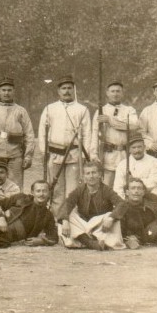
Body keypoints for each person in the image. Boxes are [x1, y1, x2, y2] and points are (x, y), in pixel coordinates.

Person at [38, 74, 93, 218]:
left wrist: (84, 156)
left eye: (70, 88)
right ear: (58, 91)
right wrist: (44, 152)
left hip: (74, 155)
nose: (67, 91)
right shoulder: (50, 108)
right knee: (56, 189)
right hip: (54, 154)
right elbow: (42, 132)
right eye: (64, 88)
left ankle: (72, 219)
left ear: (74, 90)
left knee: (73, 189)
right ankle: (57, 220)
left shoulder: (82, 109)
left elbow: (87, 134)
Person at [0, 77, 35, 191]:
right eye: (3, 90)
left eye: (9, 90)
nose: (6, 93)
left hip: (15, 156)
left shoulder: (21, 111)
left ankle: (14, 209)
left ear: (14, 91)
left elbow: (29, 134)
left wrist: (28, 156)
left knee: (15, 188)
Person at [57, 160, 124, 250]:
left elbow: (121, 203)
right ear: (84, 176)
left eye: (94, 173)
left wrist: (111, 218)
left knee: (111, 216)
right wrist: (65, 220)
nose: (91, 176)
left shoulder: (106, 190)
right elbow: (68, 203)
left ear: (100, 175)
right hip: (83, 224)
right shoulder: (80, 190)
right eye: (88, 173)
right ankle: (90, 243)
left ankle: (84, 240)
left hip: (100, 226)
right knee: (68, 217)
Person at [102, 177, 157, 249]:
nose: (136, 191)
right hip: (148, 242)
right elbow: (121, 233)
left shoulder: (152, 199)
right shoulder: (122, 208)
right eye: (133, 188)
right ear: (127, 192)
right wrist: (128, 240)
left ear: (143, 192)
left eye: (139, 188)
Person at [91, 78, 138, 187]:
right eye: (112, 91)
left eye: (118, 91)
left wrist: (110, 120)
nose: (115, 94)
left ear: (122, 93)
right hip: (107, 155)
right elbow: (94, 134)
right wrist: (93, 154)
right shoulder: (101, 111)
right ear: (107, 93)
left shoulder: (129, 110)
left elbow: (134, 125)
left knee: (125, 185)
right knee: (107, 187)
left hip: (125, 155)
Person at [112, 131, 157, 197]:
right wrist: (124, 202)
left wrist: (132, 183)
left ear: (144, 147)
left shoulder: (154, 162)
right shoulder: (122, 164)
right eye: (134, 147)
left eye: (139, 147)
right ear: (129, 149)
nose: (137, 150)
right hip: (128, 201)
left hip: (148, 197)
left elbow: (154, 183)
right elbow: (118, 188)